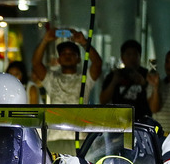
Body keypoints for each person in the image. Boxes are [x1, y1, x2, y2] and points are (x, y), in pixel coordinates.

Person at [31, 24, 103, 153]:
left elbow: (97, 63)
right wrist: (45, 40)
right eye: (63, 53)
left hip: (79, 138)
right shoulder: (51, 79)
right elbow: (36, 64)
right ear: (58, 59)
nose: (67, 56)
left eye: (72, 53)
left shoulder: (85, 79)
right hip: (54, 138)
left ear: (79, 59)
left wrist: (83, 42)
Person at [100, 39, 152, 120]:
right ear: (122, 57)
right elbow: (103, 100)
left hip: (142, 122)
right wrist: (114, 82)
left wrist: (144, 83)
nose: (132, 58)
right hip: (118, 122)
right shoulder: (114, 75)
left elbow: (154, 101)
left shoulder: (147, 75)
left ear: (140, 56)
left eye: (135, 54)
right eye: (128, 54)